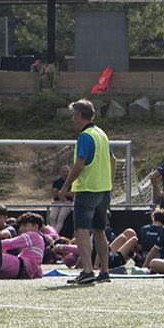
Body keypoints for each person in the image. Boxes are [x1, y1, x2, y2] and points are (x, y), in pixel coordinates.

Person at [53, 99, 112, 285]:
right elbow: (114, 159)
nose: (72, 119)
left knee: (81, 230)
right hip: (104, 189)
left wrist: (65, 186)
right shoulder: (101, 133)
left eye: (73, 115)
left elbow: (79, 164)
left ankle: (87, 270)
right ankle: (104, 271)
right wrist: (107, 180)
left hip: (88, 189)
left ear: (79, 115)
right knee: (100, 231)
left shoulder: (85, 136)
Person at [0, 212, 52, 279]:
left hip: (22, 266)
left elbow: (11, 243)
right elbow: (37, 265)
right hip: (24, 272)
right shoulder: (39, 240)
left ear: (36, 226)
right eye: (21, 226)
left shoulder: (32, 235)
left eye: (25, 225)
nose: (21, 229)